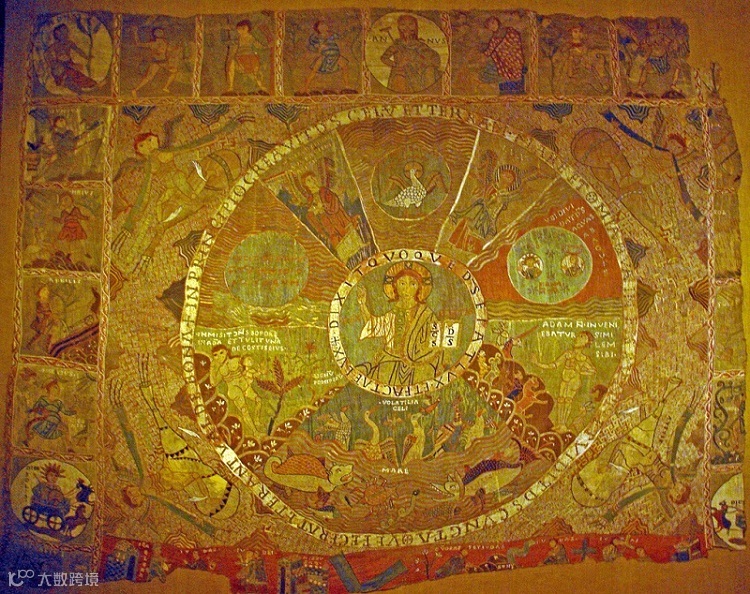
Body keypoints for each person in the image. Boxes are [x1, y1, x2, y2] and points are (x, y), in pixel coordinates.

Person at [357, 261, 445, 385]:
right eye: (402, 283)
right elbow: (373, 326)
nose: (406, 289)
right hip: (390, 360)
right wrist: (362, 304)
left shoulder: (426, 315)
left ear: (419, 287)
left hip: (418, 365)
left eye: (412, 284)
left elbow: (437, 345)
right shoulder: (393, 314)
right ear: (395, 286)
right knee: (380, 374)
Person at [531, 331, 596, 428]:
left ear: (586, 342)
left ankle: (563, 424)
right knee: (561, 400)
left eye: (582, 337)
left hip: (574, 381)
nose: (577, 338)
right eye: (578, 336)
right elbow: (554, 365)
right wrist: (538, 364)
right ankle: (559, 423)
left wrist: (580, 371)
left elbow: (593, 370)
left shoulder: (583, 358)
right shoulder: (567, 354)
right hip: (564, 380)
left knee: (568, 400)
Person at [380, 15, 441, 93]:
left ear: (415, 27)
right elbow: (384, 58)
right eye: (403, 24)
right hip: (401, 71)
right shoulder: (396, 45)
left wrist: (418, 60)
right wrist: (397, 64)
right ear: (399, 28)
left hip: (416, 73)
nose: (407, 27)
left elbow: (433, 58)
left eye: (410, 24)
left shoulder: (420, 45)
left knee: (429, 72)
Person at [44, 23, 98, 93]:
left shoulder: (69, 43)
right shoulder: (55, 45)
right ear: (58, 35)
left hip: (69, 63)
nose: (66, 33)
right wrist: (51, 62)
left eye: (66, 31)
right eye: (63, 32)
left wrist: (86, 57)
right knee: (70, 75)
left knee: (77, 74)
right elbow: (46, 53)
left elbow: (78, 50)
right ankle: (77, 88)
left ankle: (90, 85)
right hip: (61, 64)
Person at [130, 27, 181, 96]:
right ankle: (135, 90)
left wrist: (176, 47)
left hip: (162, 62)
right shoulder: (158, 43)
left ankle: (165, 87)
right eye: (159, 32)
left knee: (174, 71)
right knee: (149, 77)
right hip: (157, 62)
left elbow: (169, 50)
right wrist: (135, 33)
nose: (161, 33)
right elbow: (138, 44)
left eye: (160, 32)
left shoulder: (161, 43)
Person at [482, 16, 525, 94]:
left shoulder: (510, 31)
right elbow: (490, 50)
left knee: (516, 75)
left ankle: (518, 92)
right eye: (489, 26)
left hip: (514, 58)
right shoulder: (494, 38)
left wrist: (506, 48)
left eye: (493, 23)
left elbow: (516, 41)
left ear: (497, 22)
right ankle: (506, 92)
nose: (492, 26)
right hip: (503, 62)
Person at [303, 20, 348, 93]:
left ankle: (347, 86)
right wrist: (319, 47)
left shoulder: (331, 35)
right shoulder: (317, 38)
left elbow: (340, 38)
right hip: (324, 56)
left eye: (324, 25)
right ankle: (305, 87)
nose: (323, 26)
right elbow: (313, 47)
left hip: (336, 55)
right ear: (317, 28)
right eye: (321, 25)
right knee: (314, 70)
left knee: (345, 67)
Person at [224, 20, 267, 94]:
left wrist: (266, 47)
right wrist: (228, 32)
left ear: (248, 29)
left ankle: (260, 86)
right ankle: (230, 87)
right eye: (239, 29)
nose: (241, 30)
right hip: (239, 58)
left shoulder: (250, 37)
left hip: (250, 57)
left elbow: (258, 45)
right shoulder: (237, 38)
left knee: (255, 71)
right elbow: (230, 43)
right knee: (231, 66)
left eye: (243, 28)